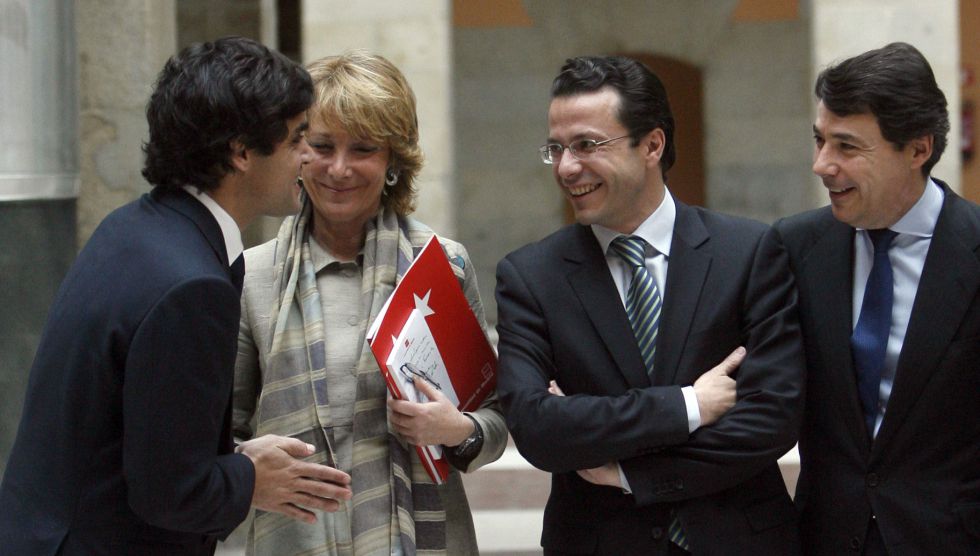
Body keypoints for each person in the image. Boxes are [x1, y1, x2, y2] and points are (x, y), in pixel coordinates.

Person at [0, 37, 354, 555]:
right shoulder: (191, 286)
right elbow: (172, 494)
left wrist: (235, 457)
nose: (310, 157)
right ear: (241, 152)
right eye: (298, 138)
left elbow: (136, 431)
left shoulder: (135, 226)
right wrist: (251, 479)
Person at [495, 55, 805, 555]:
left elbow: (771, 420)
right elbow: (537, 428)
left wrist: (626, 472)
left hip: (737, 539)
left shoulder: (748, 253)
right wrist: (688, 406)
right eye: (556, 148)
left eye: (586, 145)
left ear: (652, 145)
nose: (567, 167)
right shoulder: (531, 277)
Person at [233, 51, 507, 556]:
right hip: (294, 539)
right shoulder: (254, 275)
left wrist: (456, 430)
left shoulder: (441, 265)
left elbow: (493, 420)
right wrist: (248, 462)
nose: (339, 169)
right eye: (320, 145)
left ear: (393, 161)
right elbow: (221, 436)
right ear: (296, 153)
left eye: (362, 149)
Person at [773, 42, 980, 555]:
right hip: (824, 537)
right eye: (819, 140)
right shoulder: (795, 247)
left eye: (846, 147)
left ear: (917, 150)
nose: (822, 165)